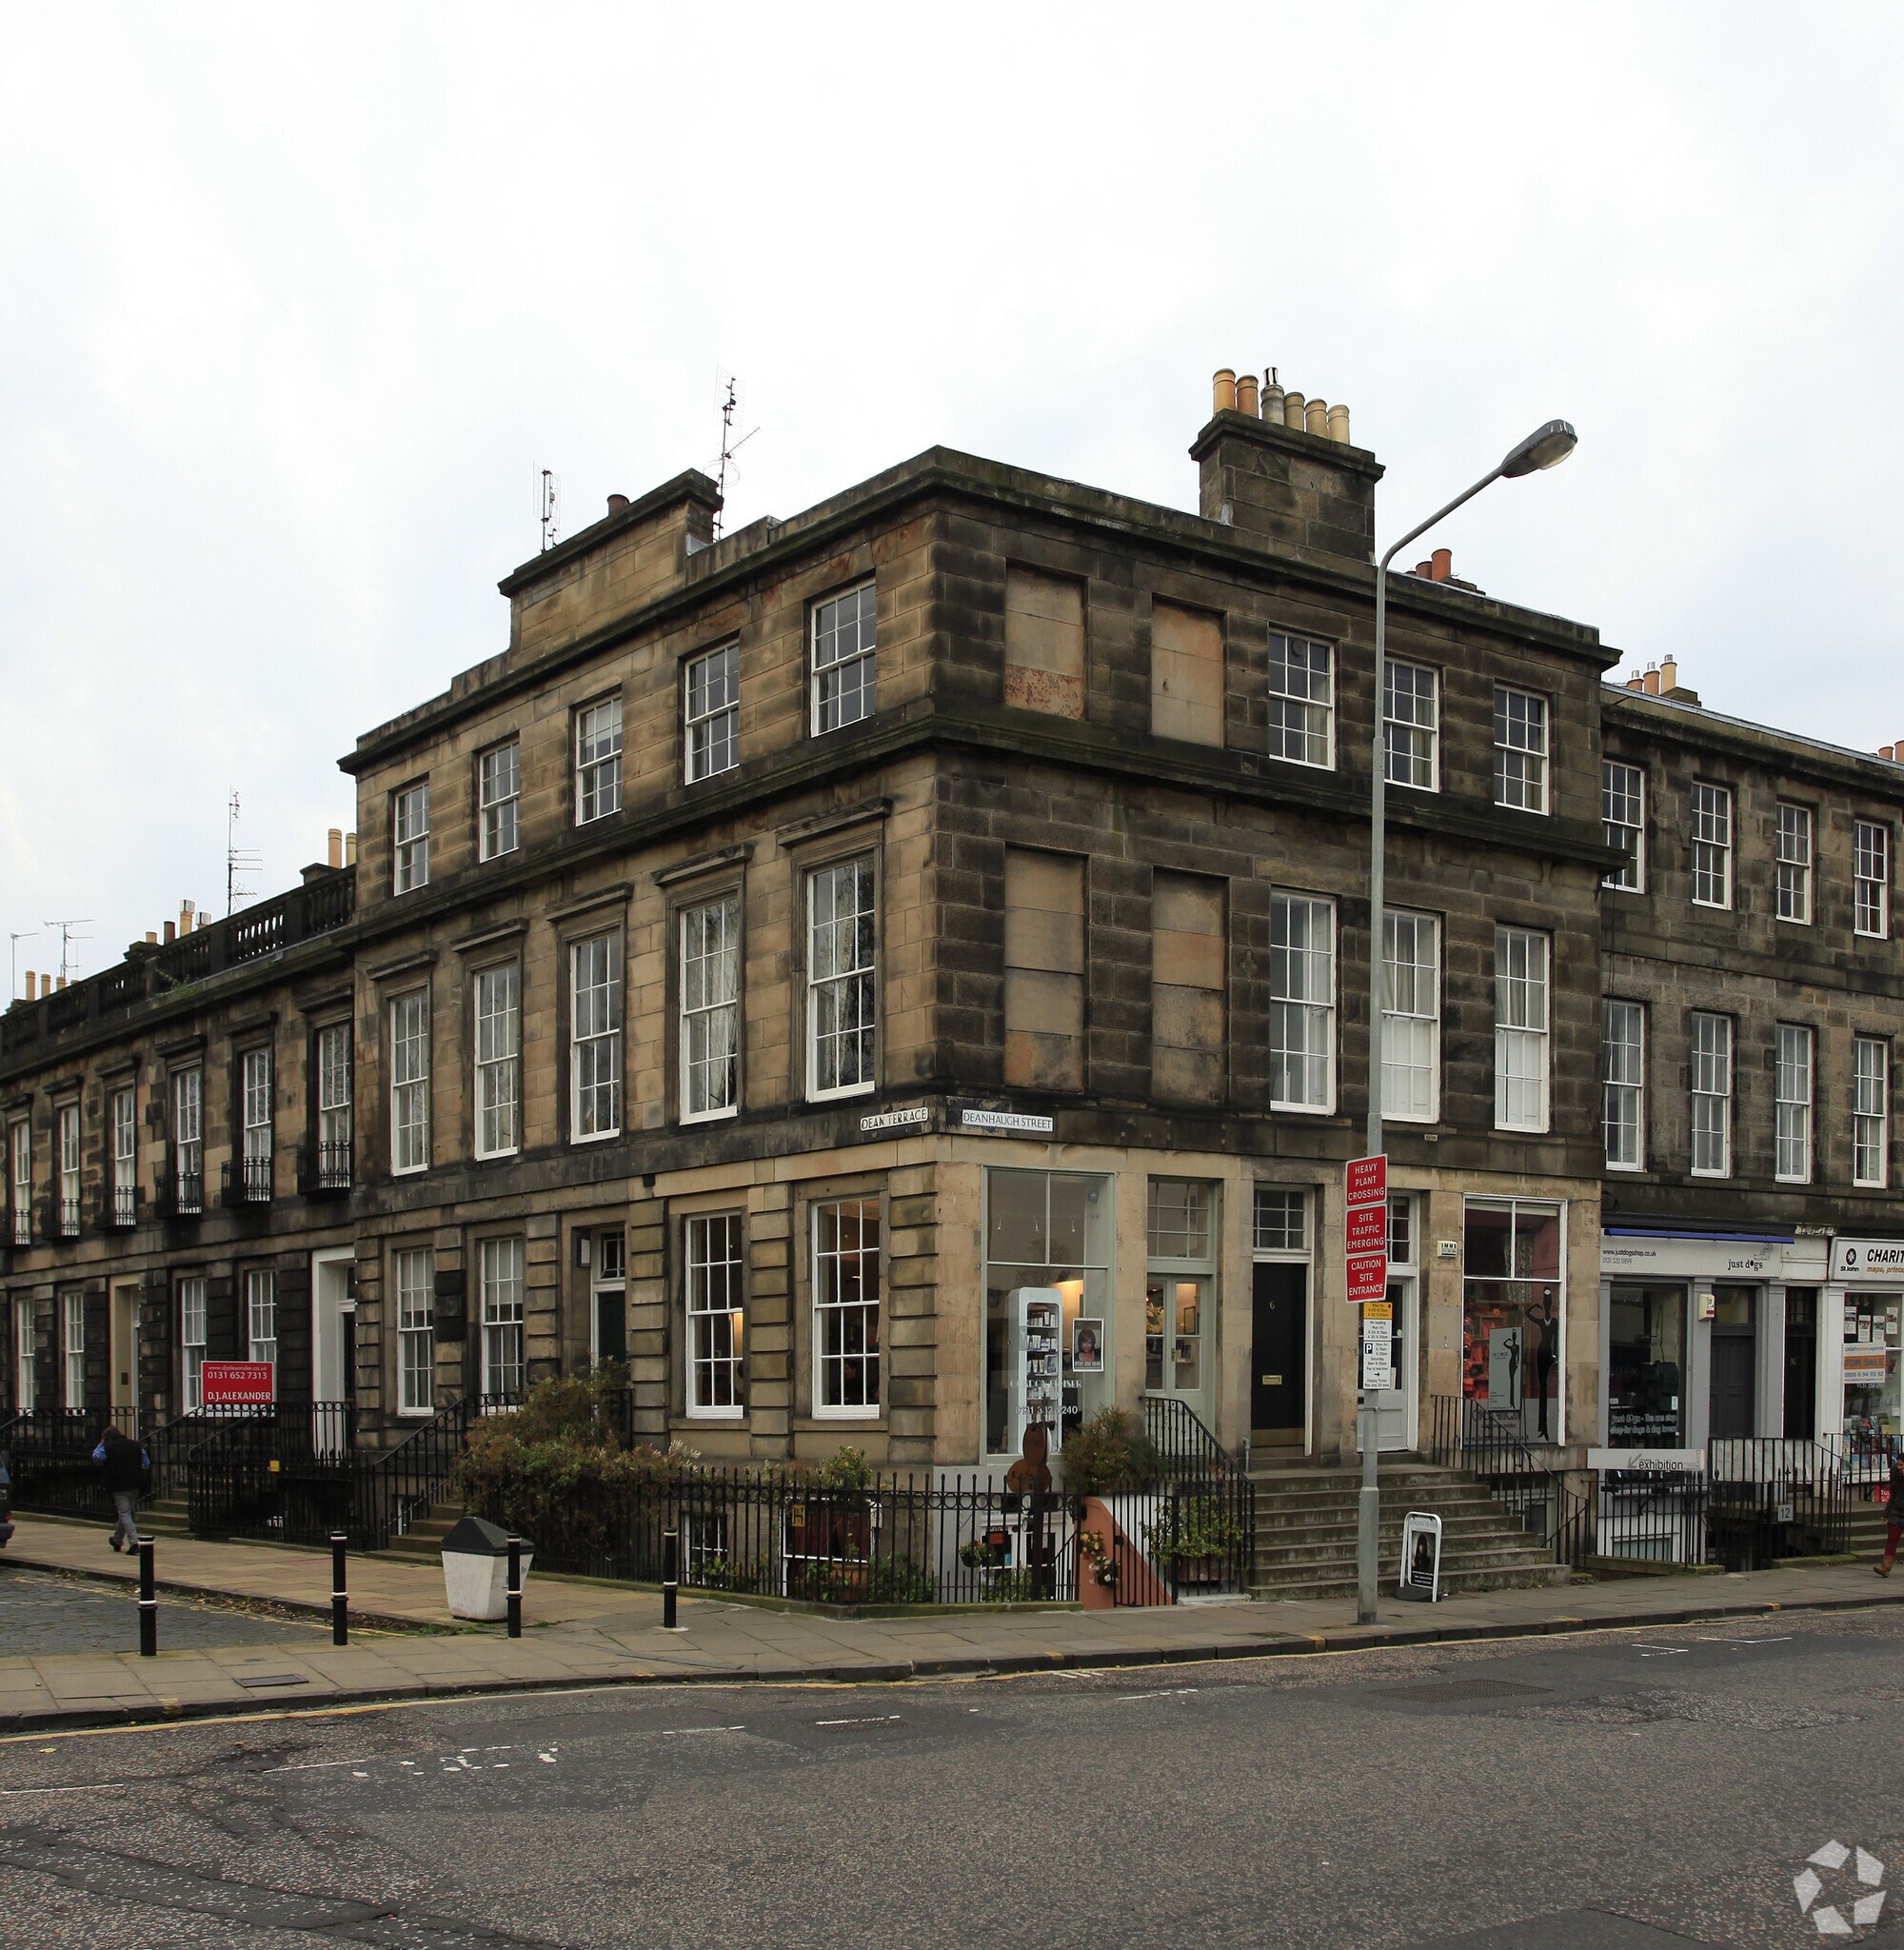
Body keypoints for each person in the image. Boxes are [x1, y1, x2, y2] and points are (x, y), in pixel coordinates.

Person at [91, 1423, 149, 1555]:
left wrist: (101, 1444)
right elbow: (145, 1463)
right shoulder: (135, 1445)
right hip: (135, 1483)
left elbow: (96, 1457)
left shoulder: (107, 1447)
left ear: (106, 1438)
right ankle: (117, 1540)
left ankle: (134, 1543)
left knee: (124, 1513)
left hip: (118, 1484)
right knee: (127, 1513)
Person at [1876, 1450, 1904, 1578]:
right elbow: (1892, 1496)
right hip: (1897, 1511)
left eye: (1902, 1465)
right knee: (1892, 1538)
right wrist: (1886, 1513)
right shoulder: (1896, 1475)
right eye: (1898, 1465)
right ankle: (1886, 1566)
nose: (1899, 1468)